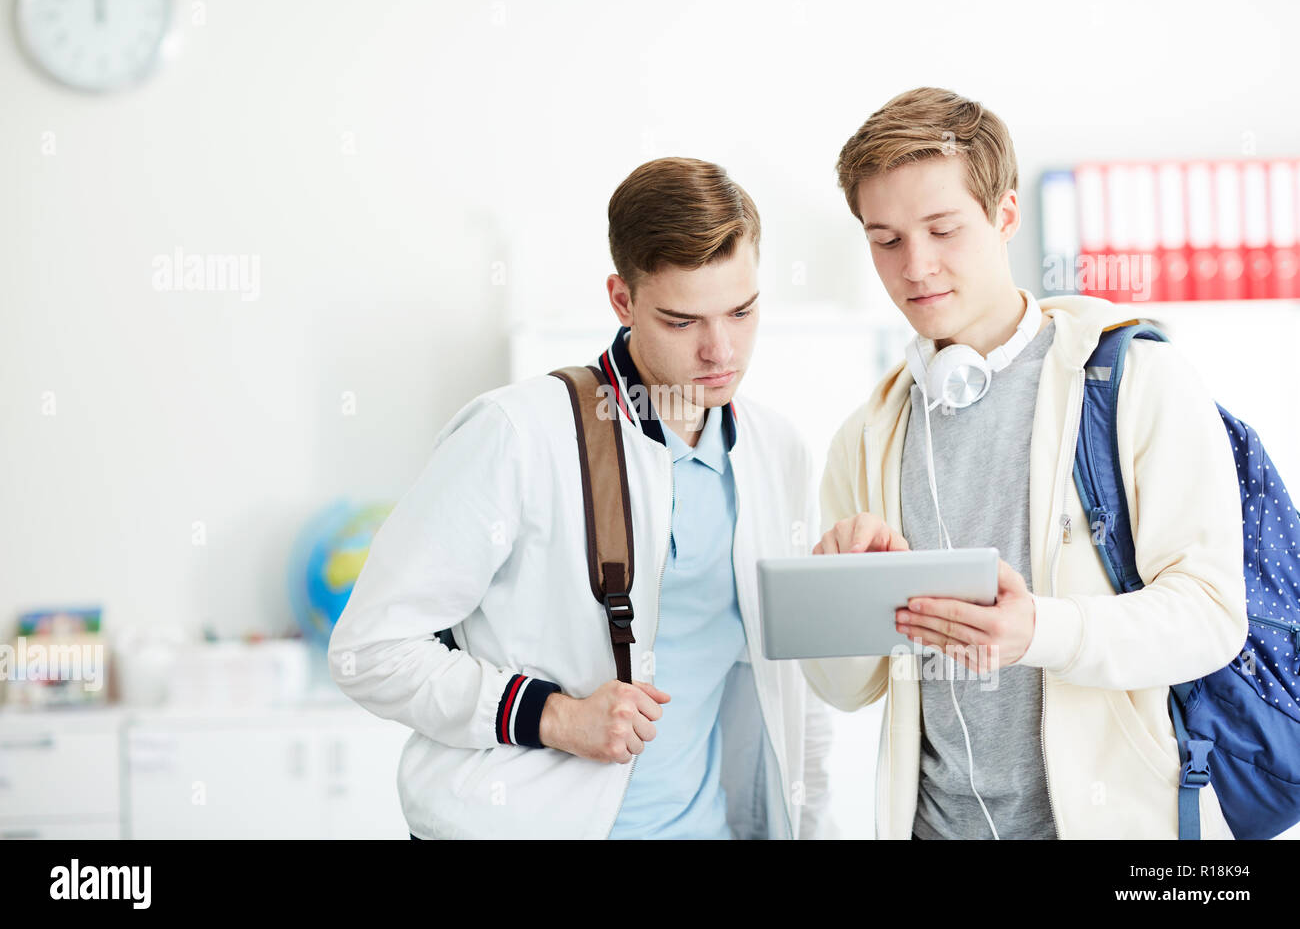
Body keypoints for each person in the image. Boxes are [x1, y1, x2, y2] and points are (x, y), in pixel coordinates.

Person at [329, 156, 833, 839]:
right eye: (683, 322)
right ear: (622, 301)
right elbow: (370, 650)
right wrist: (556, 716)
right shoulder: (516, 434)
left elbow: (791, 689)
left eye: (742, 311)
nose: (721, 350)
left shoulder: (777, 451)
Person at [802, 87, 1247, 839]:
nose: (917, 267)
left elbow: (1211, 616)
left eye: (943, 230)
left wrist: (1040, 630)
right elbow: (847, 691)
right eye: (886, 240)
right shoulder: (868, 435)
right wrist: (837, 602)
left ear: (1006, 215)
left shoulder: (1133, 381)